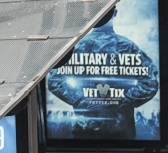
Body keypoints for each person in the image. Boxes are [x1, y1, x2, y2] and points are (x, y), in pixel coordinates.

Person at [47, 8, 160, 140]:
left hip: (85, 126)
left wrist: (81, 100)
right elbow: (150, 82)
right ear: (115, 13)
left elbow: (54, 81)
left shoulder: (78, 46)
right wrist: (121, 101)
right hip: (121, 128)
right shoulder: (127, 46)